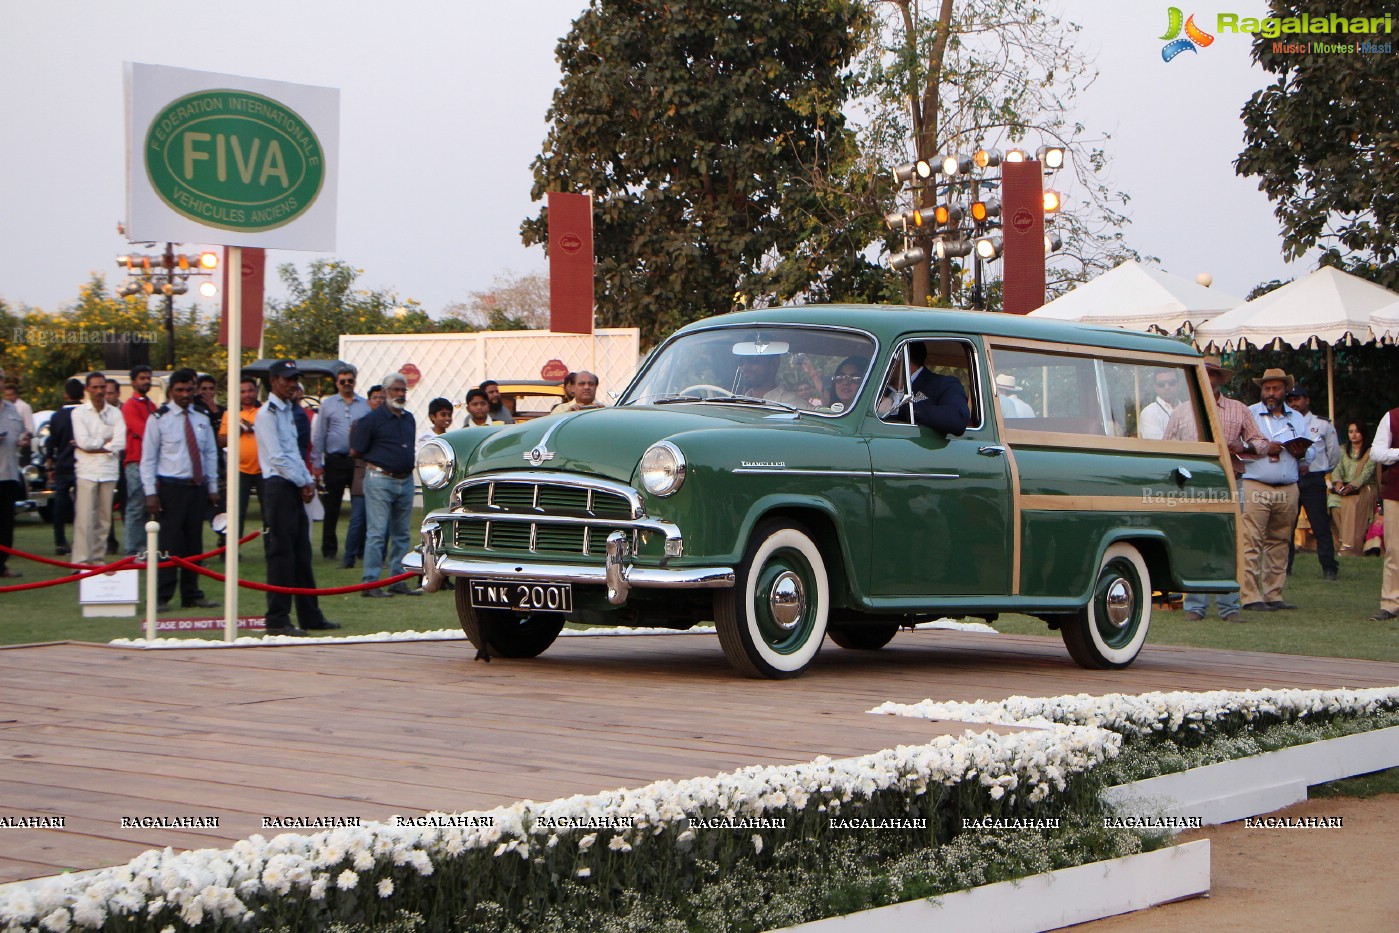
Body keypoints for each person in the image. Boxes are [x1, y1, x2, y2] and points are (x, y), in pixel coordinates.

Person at [1166, 356, 1267, 623]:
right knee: (1195, 543)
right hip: (1194, 485)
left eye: (1212, 375)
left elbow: (1261, 442)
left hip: (1230, 481)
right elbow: (1167, 448)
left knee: (1229, 542)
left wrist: (1243, 447)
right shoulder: (1181, 412)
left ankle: (1229, 605)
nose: (1208, 379)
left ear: (1219, 379)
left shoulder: (1238, 409)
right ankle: (1195, 606)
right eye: (1203, 374)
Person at [255, 361, 341, 636]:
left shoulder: (288, 411)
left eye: (295, 379)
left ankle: (310, 615)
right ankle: (277, 618)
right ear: (274, 381)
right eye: (288, 379)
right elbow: (277, 458)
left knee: (302, 554)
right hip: (279, 485)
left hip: (293, 483)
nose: (293, 384)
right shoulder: (266, 414)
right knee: (281, 555)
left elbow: (294, 451)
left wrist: (306, 480)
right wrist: (303, 480)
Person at [140, 369, 220, 611]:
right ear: (171, 391)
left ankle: (192, 593)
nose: (185, 395)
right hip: (170, 489)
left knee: (193, 544)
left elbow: (210, 454)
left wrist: (213, 486)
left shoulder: (201, 419)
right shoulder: (158, 419)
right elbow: (148, 459)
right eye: (180, 390)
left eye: (189, 389)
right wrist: (150, 493)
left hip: (196, 487)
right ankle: (162, 596)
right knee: (169, 544)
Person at [1238, 368, 1314, 613]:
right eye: (1267, 389)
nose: (1271, 393)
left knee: (1280, 542)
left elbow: (1312, 453)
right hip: (1255, 484)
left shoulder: (1297, 418)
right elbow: (1236, 448)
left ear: (1285, 390)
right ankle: (1250, 596)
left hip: (1288, 486)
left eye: (1276, 389)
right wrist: (1263, 449)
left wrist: (1302, 453)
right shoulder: (1249, 413)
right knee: (1251, 541)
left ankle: (1274, 594)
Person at [353, 373, 419, 598]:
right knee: (377, 533)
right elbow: (356, 450)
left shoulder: (409, 418)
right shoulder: (371, 419)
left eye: (403, 390)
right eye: (396, 390)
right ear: (385, 391)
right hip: (380, 479)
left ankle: (397, 580)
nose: (400, 394)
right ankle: (370, 582)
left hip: (406, 480)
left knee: (402, 534)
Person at [311, 365, 370, 562]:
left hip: (357, 463)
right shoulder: (327, 404)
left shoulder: (364, 404)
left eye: (350, 380)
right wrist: (317, 463)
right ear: (337, 383)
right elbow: (319, 435)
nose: (346, 384)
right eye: (342, 381)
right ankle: (329, 549)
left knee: (359, 508)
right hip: (334, 461)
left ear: (355, 381)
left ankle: (359, 549)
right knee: (332, 507)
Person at [1284, 386, 1340, 581]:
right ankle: (1284, 567)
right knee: (1287, 525)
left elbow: (1333, 453)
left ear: (1307, 400)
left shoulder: (1321, 424)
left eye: (1297, 399)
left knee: (1320, 525)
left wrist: (1323, 469)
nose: (1294, 403)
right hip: (1291, 477)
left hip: (1314, 478)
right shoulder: (1285, 423)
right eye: (1290, 400)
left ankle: (1329, 568)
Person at [71, 372, 125, 566]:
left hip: (109, 470)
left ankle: (98, 560)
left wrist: (98, 446)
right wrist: (105, 443)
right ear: (87, 389)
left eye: (102, 387)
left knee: (104, 520)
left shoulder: (115, 413)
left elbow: (119, 443)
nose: (99, 391)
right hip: (86, 471)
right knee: (85, 517)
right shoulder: (78, 413)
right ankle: (81, 561)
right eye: (95, 387)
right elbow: (84, 442)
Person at [880, 342, 970, 435]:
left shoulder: (943, 384)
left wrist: (896, 407)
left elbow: (957, 419)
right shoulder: (878, 389)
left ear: (900, 358)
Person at [342, 384, 384, 569]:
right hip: (362, 474)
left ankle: (379, 559)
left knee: (382, 521)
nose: (379, 401)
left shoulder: (390, 422)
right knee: (358, 519)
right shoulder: (359, 423)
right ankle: (348, 558)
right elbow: (354, 449)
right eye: (376, 398)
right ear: (369, 401)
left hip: (384, 476)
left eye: (382, 398)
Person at [218, 376, 263, 544]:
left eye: (250, 390)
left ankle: (271, 550)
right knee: (236, 512)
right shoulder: (230, 413)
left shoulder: (264, 411)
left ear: (256, 391)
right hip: (239, 470)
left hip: (263, 468)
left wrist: (254, 427)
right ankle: (231, 551)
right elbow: (221, 440)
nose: (247, 395)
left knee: (269, 512)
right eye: (242, 391)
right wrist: (237, 430)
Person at [44, 379, 84, 555]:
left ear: (66, 394)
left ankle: (60, 542)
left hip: (62, 465)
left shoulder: (57, 416)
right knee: (81, 507)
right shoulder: (85, 413)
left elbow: (51, 442)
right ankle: (80, 541)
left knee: (59, 506)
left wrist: (50, 464)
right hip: (82, 465)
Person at [121, 365, 158, 556]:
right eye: (142, 378)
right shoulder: (130, 406)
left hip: (151, 462)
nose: (146, 381)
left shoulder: (151, 405)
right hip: (136, 461)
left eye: (148, 378)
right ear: (133, 382)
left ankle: (144, 549)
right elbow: (145, 432)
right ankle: (132, 550)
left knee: (147, 507)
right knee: (136, 506)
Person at [1368, 405, 1399, 621]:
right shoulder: (1392, 417)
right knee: (1395, 550)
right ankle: (1390, 602)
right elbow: (1376, 452)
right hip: (1397, 492)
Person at [1329, 419, 1377, 555]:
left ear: (1363, 433)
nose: (1353, 435)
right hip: (1343, 487)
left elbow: (1366, 474)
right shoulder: (1343, 449)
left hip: (1364, 487)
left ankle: (1350, 545)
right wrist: (1338, 483)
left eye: (1357, 431)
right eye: (1351, 432)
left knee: (1351, 502)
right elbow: (1336, 468)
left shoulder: (1370, 452)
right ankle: (1341, 541)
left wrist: (1352, 486)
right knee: (1332, 501)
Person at [0, 388, 30, 579]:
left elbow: (19, 434)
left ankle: (1, 565)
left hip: (9, 474)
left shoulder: (12, 409)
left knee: (5, 524)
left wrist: (23, 440)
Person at [734, 355, 805, 407]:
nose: (744, 367)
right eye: (741, 361)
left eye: (753, 359)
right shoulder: (735, 405)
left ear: (774, 364)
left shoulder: (794, 407)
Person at [1137, 368, 1181, 440]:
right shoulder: (1149, 412)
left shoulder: (1189, 410)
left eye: (1171, 383)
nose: (1167, 387)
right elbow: (1160, 446)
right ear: (1155, 388)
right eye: (1161, 384)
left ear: (1179, 384)